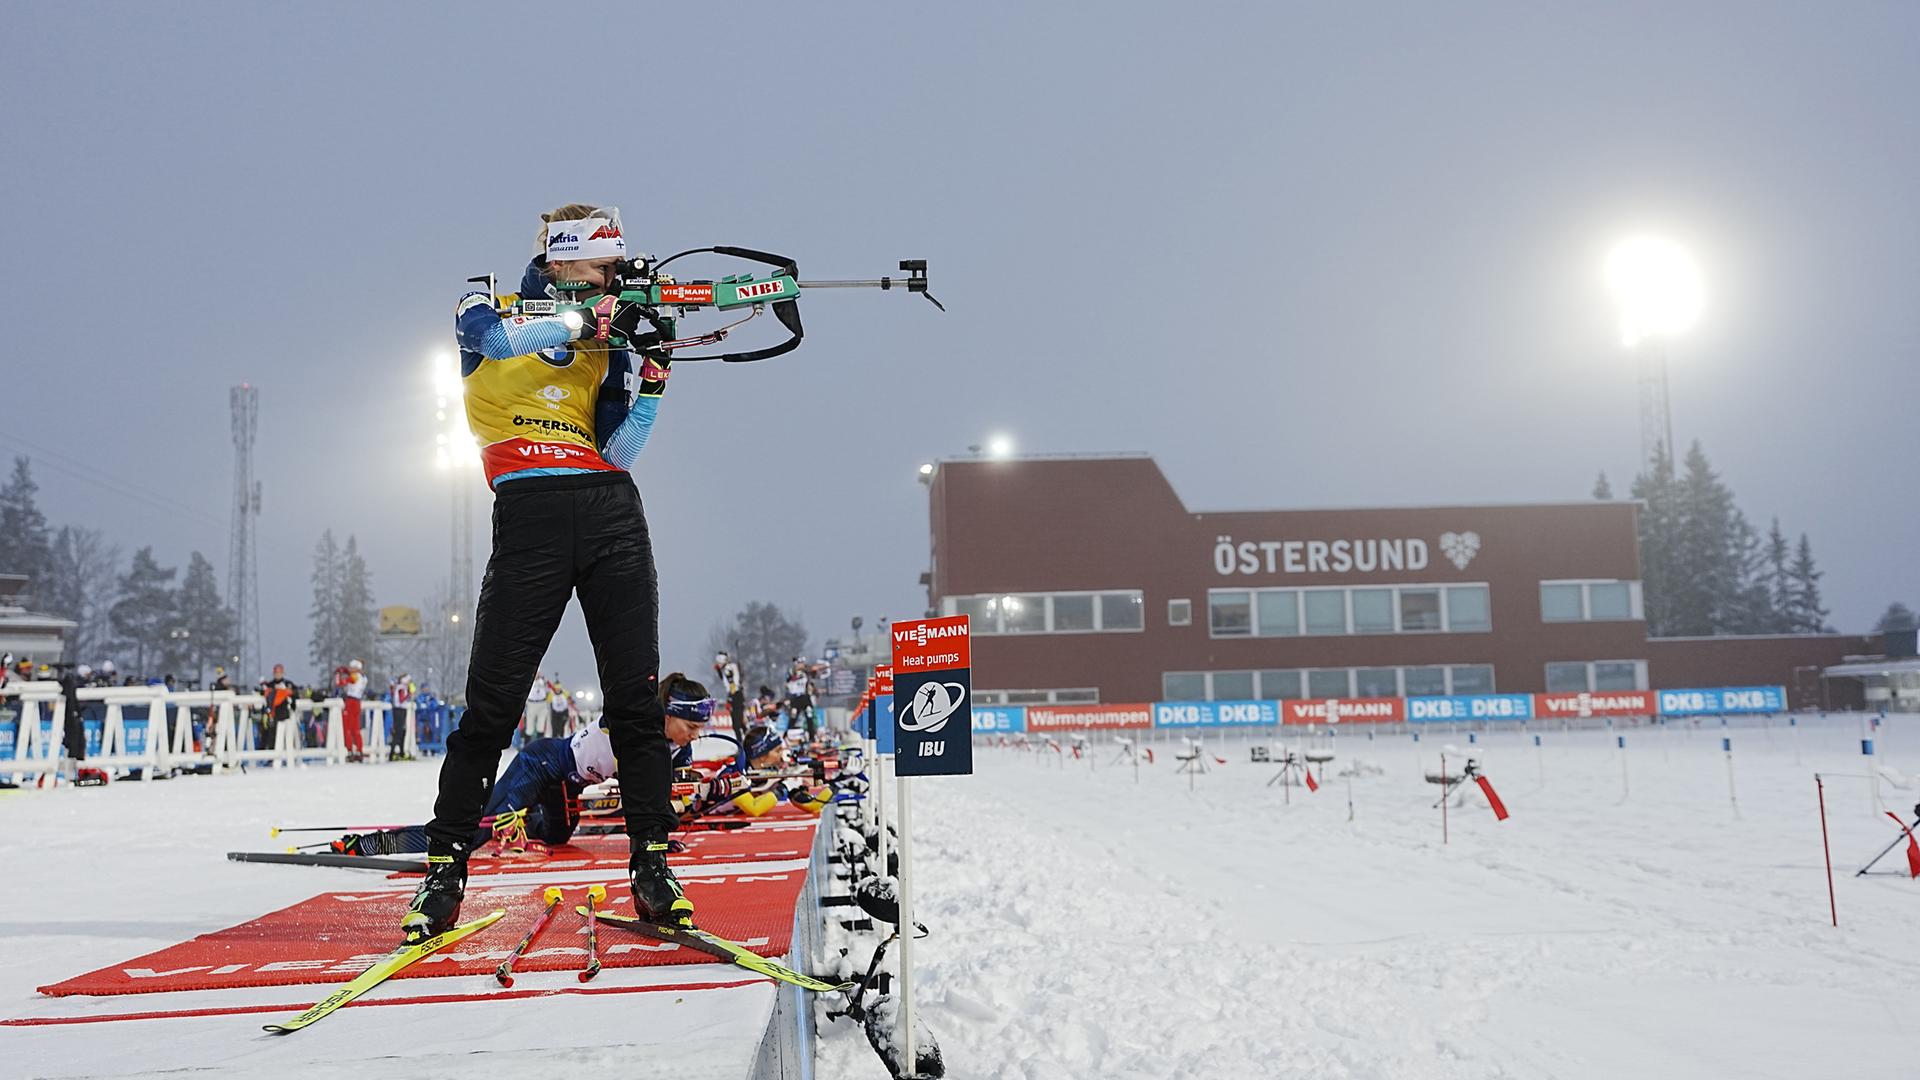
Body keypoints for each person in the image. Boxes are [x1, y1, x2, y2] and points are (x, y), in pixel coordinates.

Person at [407, 202, 686, 944]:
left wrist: (653, 377)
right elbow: (490, 340)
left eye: (618, 269)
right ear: (561, 261)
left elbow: (619, 451)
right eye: (602, 266)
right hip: (529, 515)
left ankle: (653, 865)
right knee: (491, 708)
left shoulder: (607, 339)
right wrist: (585, 322)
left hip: (610, 513)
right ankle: (444, 870)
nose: (613, 279)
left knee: (634, 704)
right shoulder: (490, 301)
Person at [337, 674, 714, 856]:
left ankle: (519, 817)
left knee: (555, 838)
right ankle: (371, 844)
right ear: (667, 714)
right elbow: (638, 792)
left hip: (566, 784)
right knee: (474, 835)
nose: (694, 736)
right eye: (691, 727)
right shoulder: (632, 722)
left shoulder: (677, 750)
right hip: (540, 763)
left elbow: (664, 799)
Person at [259, 664, 298, 751]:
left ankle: (288, 753)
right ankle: (272, 754)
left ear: (283, 673)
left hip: (285, 715)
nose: (278, 674)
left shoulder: (288, 684)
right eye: (276, 673)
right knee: (271, 737)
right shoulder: (270, 685)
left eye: (280, 672)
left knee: (288, 737)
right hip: (272, 715)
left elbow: (296, 693)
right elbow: (263, 694)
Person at [338, 659, 368, 761]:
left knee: (347, 728)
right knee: (356, 728)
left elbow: (341, 683)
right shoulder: (363, 678)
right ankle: (359, 750)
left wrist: (339, 675)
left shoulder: (355, 676)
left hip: (351, 702)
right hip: (357, 702)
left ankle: (350, 750)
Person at [714, 651, 745, 742]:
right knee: (740, 722)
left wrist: (730, 699)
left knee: (736, 725)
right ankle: (744, 741)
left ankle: (741, 744)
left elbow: (732, 685)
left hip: (735, 696)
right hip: (738, 695)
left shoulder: (728, 669)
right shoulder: (731, 667)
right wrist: (719, 671)